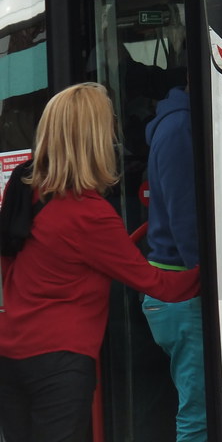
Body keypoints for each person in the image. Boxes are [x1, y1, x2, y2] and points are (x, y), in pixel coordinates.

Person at [0, 83, 200, 442]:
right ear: (96, 139)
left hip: (10, 352)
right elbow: (159, 285)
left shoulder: (24, 190)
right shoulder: (90, 215)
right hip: (60, 362)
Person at [142, 82, 206, 442]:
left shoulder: (176, 122)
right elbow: (187, 219)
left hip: (174, 291)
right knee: (200, 414)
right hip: (183, 290)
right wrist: (215, 275)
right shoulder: (181, 127)